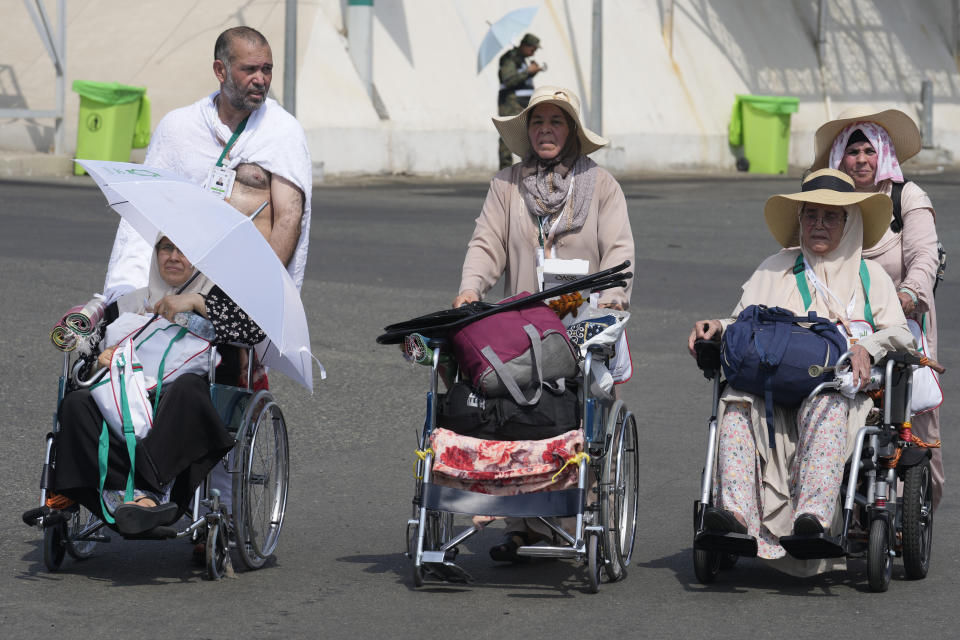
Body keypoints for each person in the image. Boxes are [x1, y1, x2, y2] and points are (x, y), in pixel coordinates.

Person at [687, 169, 913, 576]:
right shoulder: (776, 268)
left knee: (826, 404)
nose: (819, 225)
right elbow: (744, 322)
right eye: (811, 216)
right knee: (735, 403)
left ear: (849, 223)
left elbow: (901, 333)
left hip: (834, 391)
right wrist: (717, 327)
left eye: (831, 216)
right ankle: (735, 516)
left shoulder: (870, 276)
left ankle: (812, 519)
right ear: (800, 221)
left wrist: (867, 346)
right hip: (772, 387)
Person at [454, 85, 634, 561]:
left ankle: (568, 514)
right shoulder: (507, 185)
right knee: (516, 403)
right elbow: (486, 244)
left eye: (556, 122)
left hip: (585, 322)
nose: (545, 131)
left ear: (571, 130)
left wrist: (611, 304)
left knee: (576, 411)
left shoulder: (602, 185)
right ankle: (525, 520)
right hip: (524, 327)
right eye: (537, 123)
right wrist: (471, 289)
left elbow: (620, 253)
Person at [49, 237, 265, 535]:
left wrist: (195, 302)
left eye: (184, 250)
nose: (173, 257)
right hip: (126, 392)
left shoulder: (217, 299)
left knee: (186, 389)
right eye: (166, 249)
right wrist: (101, 361)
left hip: (184, 399)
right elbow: (81, 367)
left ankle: (149, 492)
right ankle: (118, 494)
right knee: (76, 403)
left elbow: (254, 330)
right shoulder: (130, 302)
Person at [103, 26, 313, 301]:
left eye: (267, 69)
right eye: (250, 70)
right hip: (174, 285)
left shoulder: (282, 131)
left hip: (242, 289)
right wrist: (127, 287)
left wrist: (260, 294)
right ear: (220, 70)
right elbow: (145, 212)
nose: (261, 79)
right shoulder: (179, 127)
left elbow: (289, 217)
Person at [811, 106, 944, 509]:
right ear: (840, 158)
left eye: (870, 151)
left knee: (911, 417)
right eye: (853, 153)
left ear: (883, 153)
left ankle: (911, 505)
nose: (862, 160)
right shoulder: (827, 202)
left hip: (900, 319)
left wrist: (907, 295)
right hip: (841, 324)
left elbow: (925, 258)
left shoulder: (906, 198)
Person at [497, 33, 543, 169]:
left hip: (524, 103)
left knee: (527, 134)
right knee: (508, 134)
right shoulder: (509, 58)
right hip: (511, 103)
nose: (533, 52)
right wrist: (528, 72)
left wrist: (532, 72)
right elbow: (508, 79)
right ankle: (505, 170)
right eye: (532, 49)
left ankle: (528, 168)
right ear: (525, 45)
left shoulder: (522, 59)